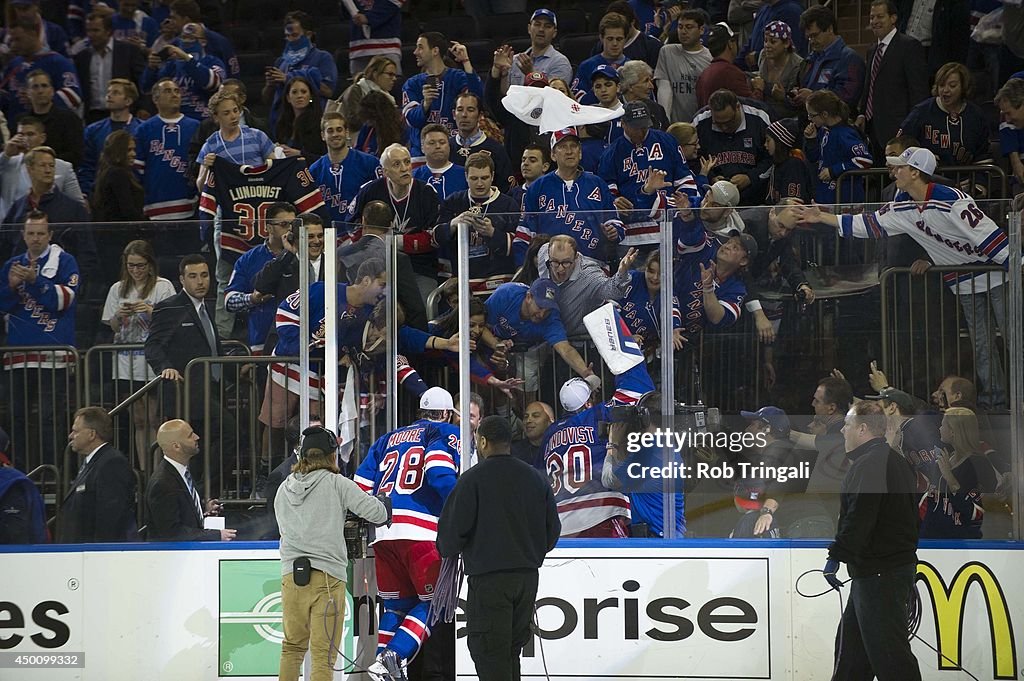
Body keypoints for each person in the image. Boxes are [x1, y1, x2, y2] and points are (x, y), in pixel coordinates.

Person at [796, 147, 1010, 409]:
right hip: (962, 281)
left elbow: (987, 234)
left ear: (915, 172)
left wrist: (1016, 264)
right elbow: (870, 224)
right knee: (981, 344)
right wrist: (822, 217)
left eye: (899, 167)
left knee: (1014, 337)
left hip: (996, 275)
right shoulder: (902, 206)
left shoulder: (951, 199)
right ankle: (996, 401)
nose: (894, 172)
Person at [437, 415, 560, 681]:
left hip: (489, 579)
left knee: (490, 655)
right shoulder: (535, 478)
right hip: (526, 578)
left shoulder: (471, 480)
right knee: (511, 653)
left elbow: (448, 540)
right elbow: (553, 533)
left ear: (482, 441)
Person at [355, 387, 462, 681]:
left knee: (396, 607)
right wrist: (462, 512)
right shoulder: (445, 432)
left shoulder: (387, 438)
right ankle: (396, 654)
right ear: (446, 413)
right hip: (422, 532)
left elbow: (360, 486)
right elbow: (440, 475)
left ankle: (379, 663)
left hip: (383, 532)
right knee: (434, 602)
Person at [276, 426, 390, 681]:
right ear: (332, 455)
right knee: (323, 656)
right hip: (327, 577)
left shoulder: (284, 488)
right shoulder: (337, 483)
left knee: (291, 649)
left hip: (291, 577)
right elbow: (377, 513)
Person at [823, 400, 920, 681]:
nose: (842, 431)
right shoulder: (896, 462)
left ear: (863, 429)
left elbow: (860, 516)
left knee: (890, 658)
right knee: (852, 656)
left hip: (879, 574)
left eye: (848, 425)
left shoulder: (869, 464)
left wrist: (837, 555)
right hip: (881, 571)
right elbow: (911, 520)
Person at [144, 254, 237, 489]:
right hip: (186, 392)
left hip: (210, 389)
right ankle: (205, 488)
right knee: (227, 431)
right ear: (182, 280)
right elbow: (153, 345)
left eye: (204, 275)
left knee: (203, 443)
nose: (200, 282)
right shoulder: (170, 307)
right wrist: (166, 368)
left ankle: (202, 491)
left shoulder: (206, 307)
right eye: (193, 276)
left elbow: (209, 347)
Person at [0, 211, 79, 467]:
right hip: (17, 358)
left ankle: (53, 473)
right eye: (31, 233)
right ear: (23, 235)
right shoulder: (11, 265)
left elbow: (64, 300)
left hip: (53, 358)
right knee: (16, 416)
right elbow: (2, 306)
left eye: (40, 233)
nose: (35, 238)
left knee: (50, 418)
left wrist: (37, 282)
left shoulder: (65, 262)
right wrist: (11, 286)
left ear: (50, 235)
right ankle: (23, 472)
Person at [542, 360, 655, 537]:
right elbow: (636, 390)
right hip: (599, 512)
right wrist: (626, 356)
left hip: (560, 522)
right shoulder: (597, 415)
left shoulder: (550, 433)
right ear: (588, 403)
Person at [101, 240, 176, 467]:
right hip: (126, 361)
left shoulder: (163, 287)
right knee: (138, 419)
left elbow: (171, 321)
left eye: (140, 265)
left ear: (150, 264)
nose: (136, 270)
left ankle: (156, 467)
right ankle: (144, 468)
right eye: (131, 265)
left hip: (151, 362)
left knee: (154, 418)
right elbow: (112, 325)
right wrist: (119, 315)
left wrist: (151, 311)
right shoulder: (118, 288)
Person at [515, 127, 624, 267]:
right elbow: (525, 231)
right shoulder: (538, 187)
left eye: (573, 146)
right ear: (553, 155)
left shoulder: (597, 183)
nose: (569, 151)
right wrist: (523, 267)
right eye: (562, 147)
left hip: (592, 265)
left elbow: (615, 221)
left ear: (580, 153)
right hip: (552, 266)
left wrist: (614, 231)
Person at [346, 143, 441, 300]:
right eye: (397, 164)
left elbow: (434, 237)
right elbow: (352, 228)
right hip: (376, 267)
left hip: (418, 267)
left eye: (407, 162)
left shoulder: (426, 193)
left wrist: (398, 242)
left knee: (422, 307)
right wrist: (373, 245)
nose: (404, 168)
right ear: (385, 172)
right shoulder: (370, 191)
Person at [600, 101, 697, 251]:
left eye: (644, 126)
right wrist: (615, 201)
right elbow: (606, 189)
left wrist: (685, 205)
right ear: (623, 124)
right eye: (636, 127)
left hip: (669, 228)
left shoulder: (667, 141)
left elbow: (685, 180)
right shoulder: (612, 152)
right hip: (632, 235)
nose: (641, 132)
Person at [433, 151, 519, 294]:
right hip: (462, 283)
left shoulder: (508, 205)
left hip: (498, 285)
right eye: (474, 178)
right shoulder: (454, 201)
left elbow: (518, 245)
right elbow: (435, 239)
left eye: (484, 178)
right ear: (466, 177)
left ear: (492, 176)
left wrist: (492, 233)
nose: (479, 183)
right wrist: (453, 224)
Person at [855, 0, 929, 161]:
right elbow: (870, 86)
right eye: (872, 17)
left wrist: (910, 128)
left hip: (899, 131)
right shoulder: (872, 50)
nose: (874, 21)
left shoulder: (909, 46)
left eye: (880, 16)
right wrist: (862, 114)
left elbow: (918, 92)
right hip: (872, 128)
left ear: (893, 18)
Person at [145, 419, 236, 541]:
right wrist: (216, 535)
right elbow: (172, 532)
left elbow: (179, 509)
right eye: (190, 436)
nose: (197, 437)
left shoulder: (181, 471)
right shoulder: (163, 483)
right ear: (176, 446)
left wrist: (202, 508)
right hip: (171, 558)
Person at [57, 407, 137, 543]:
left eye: (75, 431)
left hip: (96, 556)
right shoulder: (94, 462)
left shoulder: (112, 463)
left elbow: (110, 519)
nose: (71, 436)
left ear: (92, 434)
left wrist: (98, 555)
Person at [401, 32, 482, 163]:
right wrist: (425, 104)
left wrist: (465, 61)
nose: (415, 52)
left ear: (435, 51)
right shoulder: (412, 84)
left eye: (420, 47)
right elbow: (411, 120)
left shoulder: (458, 78)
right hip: (422, 157)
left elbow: (477, 100)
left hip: (454, 152)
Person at [536, 235, 635, 337]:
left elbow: (613, 291)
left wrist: (622, 273)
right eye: (555, 262)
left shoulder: (590, 275)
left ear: (576, 257)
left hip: (576, 340)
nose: (560, 269)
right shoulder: (544, 251)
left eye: (566, 262)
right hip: (545, 333)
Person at [897, 62, 992, 167]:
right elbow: (901, 145)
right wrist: (923, 159)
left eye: (952, 86)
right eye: (941, 85)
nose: (945, 90)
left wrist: (978, 183)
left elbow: (983, 156)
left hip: (967, 180)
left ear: (963, 87)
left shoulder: (976, 115)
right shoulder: (921, 112)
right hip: (929, 180)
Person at [133, 78, 201, 223]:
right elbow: (137, 170)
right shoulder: (143, 130)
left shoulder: (196, 127)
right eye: (168, 91)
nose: (174, 95)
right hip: (154, 208)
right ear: (155, 99)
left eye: (177, 91)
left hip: (190, 206)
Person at [919, 407, 993, 539]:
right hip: (932, 537)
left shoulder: (979, 464)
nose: (939, 429)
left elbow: (976, 511)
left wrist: (950, 478)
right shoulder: (946, 458)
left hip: (963, 540)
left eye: (943, 424)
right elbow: (932, 501)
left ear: (953, 431)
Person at [693, 89, 772, 205]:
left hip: (755, 199)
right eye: (718, 123)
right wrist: (710, 178)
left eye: (729, 122)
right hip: (714, 200)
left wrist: (751, 177)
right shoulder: (700, 122)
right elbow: (690, 158)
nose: (724, 127)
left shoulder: (760, 118)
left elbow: (774, 157)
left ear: (738, 107)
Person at [263, 11, 337, 134]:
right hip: (284, 125)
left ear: (308, 34)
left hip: (312, 124)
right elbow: (267, 99)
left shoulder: (322, 57)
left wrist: (289, 79)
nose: (290, 40)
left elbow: (328, 91)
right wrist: (269, 85)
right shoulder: (281, 62)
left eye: (294, 35)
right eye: (287, 36)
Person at [0, 18, 81, 126]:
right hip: (17, 128)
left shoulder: (57, 62)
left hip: (49, 127)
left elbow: (74, 95)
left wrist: (39, 101)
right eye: (12, 40)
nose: (14, 45)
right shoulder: (14, 64)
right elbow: (6, 97)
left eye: (18, 39)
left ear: (33, 34)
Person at [0, 116, 83, 220]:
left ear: (42, 138)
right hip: (14, 226)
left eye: (30, 134)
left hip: (52, 226)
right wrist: (6, 155)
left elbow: (77, 205)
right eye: (21, 134)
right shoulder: (6, 163)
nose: (25, 139)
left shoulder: (63, 167)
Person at [140, 22, 226, 121]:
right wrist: (151, 68)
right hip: (173, 119)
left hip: (203, 119)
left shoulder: (213, 61)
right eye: (184, 37)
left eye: (191, 38)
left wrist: (187, 59)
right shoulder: (172, 64)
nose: (186, 42)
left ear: (203, 42)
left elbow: (214, 84)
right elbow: (147, 88)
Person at [73, 11, 147, 124]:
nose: (91, 35)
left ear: (109, 32)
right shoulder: (82, 57)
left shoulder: (128, 51)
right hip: (93, 116)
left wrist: (143, 107)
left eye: (96, 30)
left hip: (125, 114)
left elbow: (142, 81)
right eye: (88, 30)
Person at [803, 90, 873, 205]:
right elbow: (813, 158)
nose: (810, 119)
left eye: (812, 115)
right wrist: (811, 140)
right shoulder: (824, 131)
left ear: (824, 114)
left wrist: (834, 170)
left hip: (844, 200)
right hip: (825, 196)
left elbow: (865, 160)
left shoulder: (845, 134)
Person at [79, 79, 143, 195]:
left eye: (116, 93)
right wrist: (86, 193)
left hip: (134, 192)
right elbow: (87, 165)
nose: (109, 96)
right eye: (108, 92)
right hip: (101, 193)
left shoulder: (142, 129)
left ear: (128, 101)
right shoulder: (93, 130)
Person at [794, 5, 865, 109]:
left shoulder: (850, 59)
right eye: (809, 37)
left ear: (830, 29)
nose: (812, 41)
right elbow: (800, 86)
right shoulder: (810, 59)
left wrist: (813, 97)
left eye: (815, 35)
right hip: (806, 117)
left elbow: (847, 98)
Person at [448, 92, 516, 193]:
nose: (464, 115)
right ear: (454, 114)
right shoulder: (446, 147)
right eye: (460, 109)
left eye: (470, 110)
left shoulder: (496, 150)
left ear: (480, 116)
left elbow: (506, 191)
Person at [654, 9, 712, 125]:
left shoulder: (710, 58)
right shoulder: (667, 52)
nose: (683, 31)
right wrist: (665, 121)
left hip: (701, 123)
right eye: (680, 27)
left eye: (689, 27)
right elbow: (664, 89)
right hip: (675, 124)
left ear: (701, 30)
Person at [21, 69, 84, 168]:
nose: (40, 91)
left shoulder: (69, 119)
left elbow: (76, 155)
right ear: (28, 92)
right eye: (35, 87)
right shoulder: (20, 121)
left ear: (52, 91)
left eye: (44, 86)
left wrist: (43, 163)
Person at [504, 9, 572, 90]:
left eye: (547, 26)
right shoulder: (515, 60)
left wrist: (531, 74)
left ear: (554, 33)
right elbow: (505, 94)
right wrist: (502, 72)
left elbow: (554, 97)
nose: (541, 29)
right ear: (529, 28)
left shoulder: (561, 62)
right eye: (537, 24)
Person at [695, 23, 758, 108]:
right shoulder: (731, 73)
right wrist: (759, 89)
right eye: (733, 40)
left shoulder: (704, 74)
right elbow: (753, 108)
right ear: (730, 44)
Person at [572, 12, 630, 101]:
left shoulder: (633, 68)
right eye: (610, 39)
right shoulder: (587, 66)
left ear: (625, 39)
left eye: (619, 39)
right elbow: (577, 101)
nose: (615, 43)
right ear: (601, 38)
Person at [91, 130, 145, 224]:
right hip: (122, 234)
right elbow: (128, 210)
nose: (134, 154)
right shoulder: (117, 174)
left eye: (134, 149)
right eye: (129, 150)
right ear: (118, 151)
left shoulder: (108, 172)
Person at [755, 20, 805, 120]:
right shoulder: (763, 55)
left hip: (787, 116)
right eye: (765, 41)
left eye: (773, 41)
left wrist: (782, 97)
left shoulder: (797, 65)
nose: (767, 45)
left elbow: (797, 103)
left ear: (786, 43)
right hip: (763, 110)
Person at [337, 56, 399, 135]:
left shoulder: (388, 97)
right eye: (390, 74)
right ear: (375, 74)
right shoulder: (356, 90)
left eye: (395, 75)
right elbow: (354, 122)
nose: (394, 79)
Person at [273, 75, 327, 160]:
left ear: (311, 97)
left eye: (304, 92)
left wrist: (300, 154)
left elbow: (326, 158)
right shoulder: (282, 124)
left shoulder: (320, 123)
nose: (299, 96)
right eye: (294, 92)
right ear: (288, 98)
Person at [346, 0, 404, 76]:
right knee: (359, 86)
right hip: (359, 47)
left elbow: (396, 2)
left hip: (386, 45)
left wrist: (369, 18)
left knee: (391, 84)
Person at [412, 123, 468, 200]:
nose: (438, 146)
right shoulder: (413, 177)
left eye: (442, 142)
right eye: (432, 143)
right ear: (422, 147)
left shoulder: (465, 175)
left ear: (449, 146)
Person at [763, 118, 812, 204]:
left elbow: (793, 204)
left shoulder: (794, 165)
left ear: (779, 142)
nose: (765, 145)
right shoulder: (777, 164)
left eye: (768, 140)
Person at [354, 90, 408, 157]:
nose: (368, 123)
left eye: (371, 119)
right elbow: (357, 153)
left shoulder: (402, 128)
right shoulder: (367, 128)